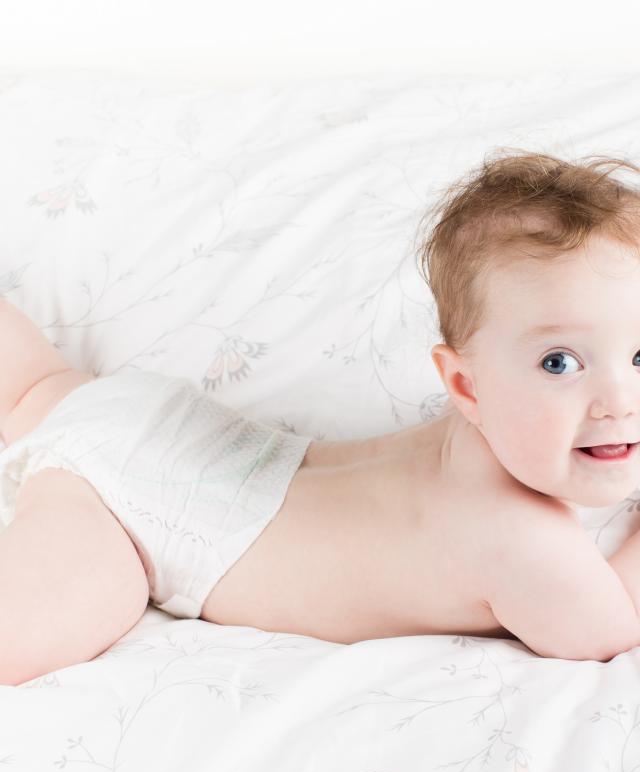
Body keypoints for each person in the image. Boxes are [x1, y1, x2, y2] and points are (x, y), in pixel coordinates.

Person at [2, 149, 640, 684]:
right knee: (27, 637)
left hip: (162, 422)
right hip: (137, 519)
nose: (619, 401)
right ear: (465, 386)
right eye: (559, 363)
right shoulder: (524, 543)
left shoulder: (482, 431)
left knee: (36, 389)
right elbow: (615, 627)